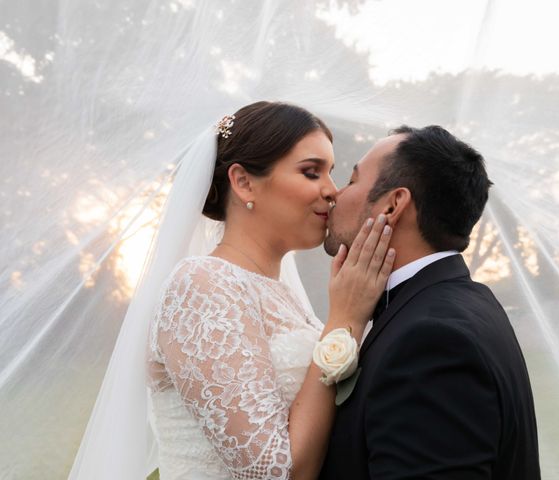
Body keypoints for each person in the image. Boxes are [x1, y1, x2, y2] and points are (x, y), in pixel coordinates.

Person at [146, 101, 395, 479]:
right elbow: (274, 471)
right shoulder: (201, 287)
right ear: (244, 181)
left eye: (332, 173)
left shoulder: (285, 296)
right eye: (312, 173)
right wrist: (343, 321)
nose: (333, 191)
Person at [320, 126, 541, 479]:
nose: (334, 194)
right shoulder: (469, 302)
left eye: (350, 179)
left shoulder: (431, 341)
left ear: (393, 204)